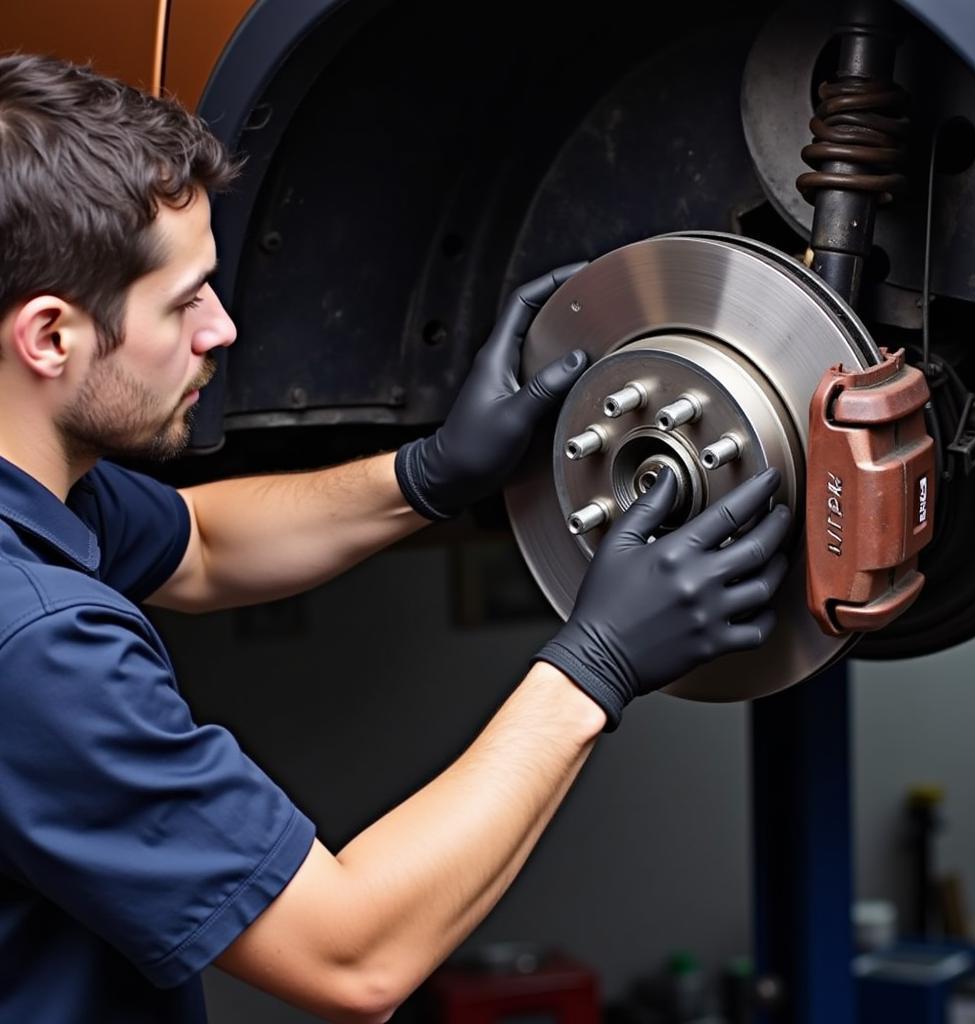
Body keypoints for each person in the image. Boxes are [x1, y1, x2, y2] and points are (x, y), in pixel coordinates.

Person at [0, 53, 791, 1024]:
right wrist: (594, 665)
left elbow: (197, 543)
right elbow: (353, 957)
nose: (224, 329)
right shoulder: (38, 646)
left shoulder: (38, 490)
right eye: (183, 301)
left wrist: (429, 472)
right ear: (48, 337)